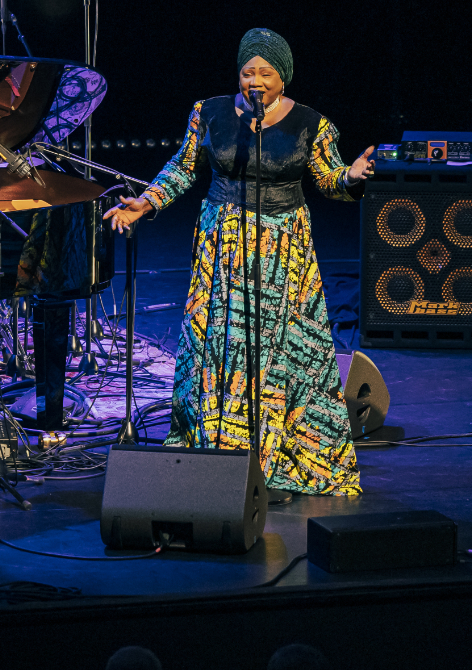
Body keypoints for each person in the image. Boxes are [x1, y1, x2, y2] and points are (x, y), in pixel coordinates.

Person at [104, 28, 373, 497]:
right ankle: (217, 445)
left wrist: (349, 176)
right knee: (219, 345)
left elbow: (329, 179)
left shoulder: (312, 123)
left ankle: (273, 449)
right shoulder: (208, 112)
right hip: (222, 244)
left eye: (266, 73)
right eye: (248, 72)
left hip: (283, 250)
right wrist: (145, 203)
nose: (256, 81)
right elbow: (182, 167)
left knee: (277, 350)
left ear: (283, 77)